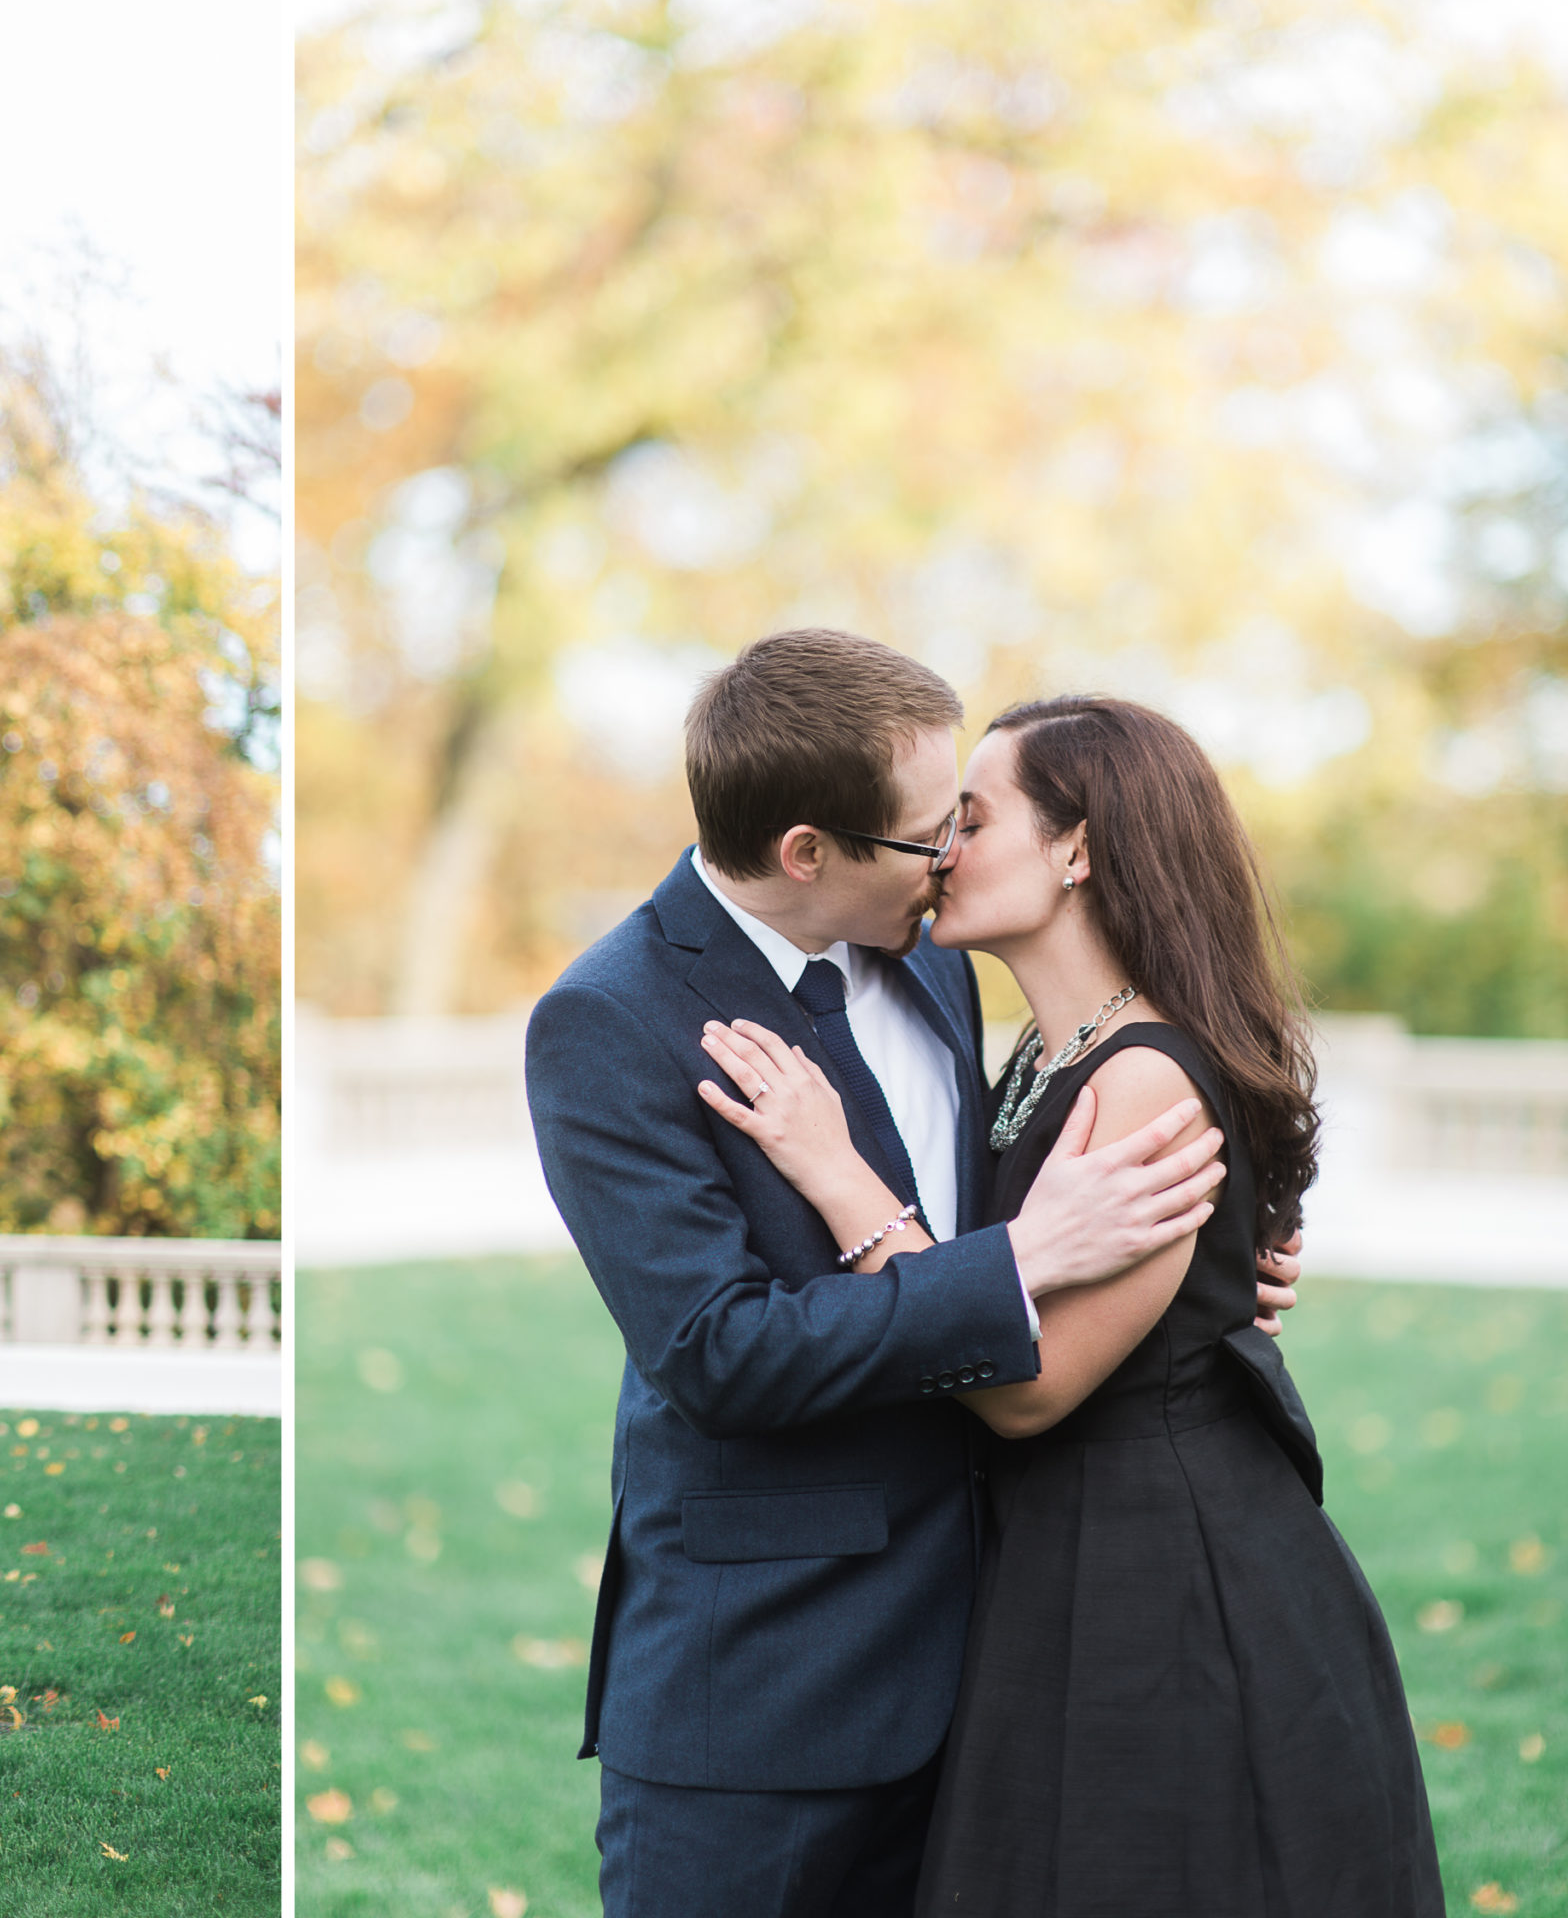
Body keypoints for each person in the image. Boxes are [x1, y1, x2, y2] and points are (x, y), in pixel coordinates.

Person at [524, 629, 1299, 1918]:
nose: (950, 854)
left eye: (963, 819)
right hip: (763, 1692)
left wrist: (1199, 1274)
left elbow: (1028, 1173)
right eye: (927, 830)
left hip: (1008, 1657)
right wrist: (1024, 1264)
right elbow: (719, 1351)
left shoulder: (938, 966)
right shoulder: (608, 1019)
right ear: (807, 853)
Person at [697, 696, 1438, 1915]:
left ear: (1076, 848)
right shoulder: (1040, 1055)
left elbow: (1029, 1393)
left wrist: (837, 1177)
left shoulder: (1142, 1074)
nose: (938, 851)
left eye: (972, 819)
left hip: (1165, 1579)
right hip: (1057, 1559)